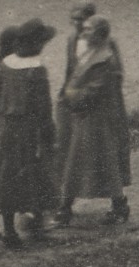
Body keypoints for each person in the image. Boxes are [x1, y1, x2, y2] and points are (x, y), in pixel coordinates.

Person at [0, 21, 60, 247]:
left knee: (7, 177)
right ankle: (36, 221)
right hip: (28, 129)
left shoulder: (4, 65)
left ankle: (8, 230)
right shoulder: (37, 69)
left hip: (5, 127)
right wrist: (48, 134)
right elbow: (44, 108)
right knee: (33, 173)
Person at [55, 12, 133, 226]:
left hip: (95, 119)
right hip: (87, 117)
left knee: (84, 163)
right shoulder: (93, 53)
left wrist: (71, 95)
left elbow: (93, 91)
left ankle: (66, 208)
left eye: (89, 29)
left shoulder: (104, 59)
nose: (84, 31)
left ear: (100, 34)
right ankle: (118, 205)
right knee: (99, 163)